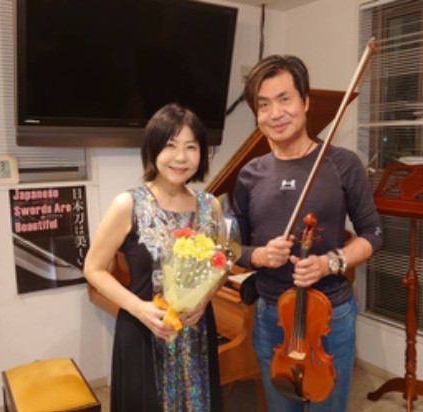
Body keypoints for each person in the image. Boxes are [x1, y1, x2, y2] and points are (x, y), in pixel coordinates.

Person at [233, 55, 383, 412]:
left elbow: (374, 233)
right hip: (271, 316)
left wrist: (332, 261)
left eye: (284, 99)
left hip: (330, 315)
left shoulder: (342, 164)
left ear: (305, 101)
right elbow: (231, 248)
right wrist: (259, 255)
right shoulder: (249, 174)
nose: (275, 113)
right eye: (264, 105)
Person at [84, 103, 224, 412]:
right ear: (153, 148)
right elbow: (93, 268)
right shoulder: (129, 204)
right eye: (170, 145)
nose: (181, 157)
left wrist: (204, 299)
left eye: (191, 147)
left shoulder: (210, 206)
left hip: (196, 331)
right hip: (143, 330)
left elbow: (220, 266)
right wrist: (140, 309)